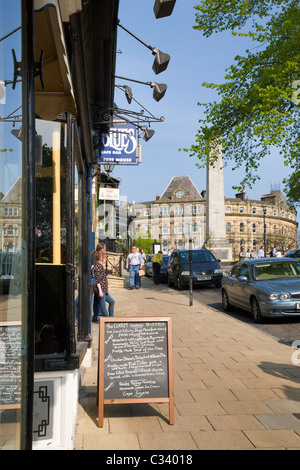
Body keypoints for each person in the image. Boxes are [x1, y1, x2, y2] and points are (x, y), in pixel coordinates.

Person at [92, 252, 115, 320]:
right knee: (103, 306)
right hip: (101, 289)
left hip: (104, 289)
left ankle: (111, 318)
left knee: (112, 302)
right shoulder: (98, 266)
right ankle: (107, 319)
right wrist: (100, 291)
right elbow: (97, 280)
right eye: (105, 258)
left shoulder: (99, 266)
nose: (106, 260)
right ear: (101, 258)